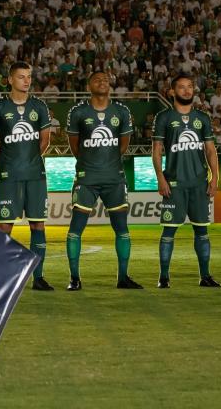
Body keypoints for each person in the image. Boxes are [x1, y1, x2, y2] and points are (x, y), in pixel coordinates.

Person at [65, 71, 141, 290]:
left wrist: (108, 162)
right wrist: (90, 162)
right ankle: (74, 278)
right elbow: (74, 145)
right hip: (86, 178)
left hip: (114, 178)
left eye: (106, 80)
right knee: (76, 228)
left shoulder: (121, 111)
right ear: (89, 85)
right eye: (98, 80)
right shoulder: (78, 111)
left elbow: (123, 144)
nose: (103, 82)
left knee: (122, 228)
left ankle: (123, 277)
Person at [0, 62, 53, 291]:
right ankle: (3, 278)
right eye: (21, 77)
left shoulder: (39, 107)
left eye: (29, 76)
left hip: (35, 175)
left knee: (38, 225)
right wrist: (5, 162)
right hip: (9, 176)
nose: (26, 80)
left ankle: (39, 278)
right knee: (5, 226)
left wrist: (30, 160)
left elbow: (45, 141)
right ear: (10, 80)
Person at [152, 73, 221, 288]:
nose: (186, 90)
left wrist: (214, 177)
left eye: (189, 86)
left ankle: (205, 276)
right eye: (181, 87)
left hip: (199, 183)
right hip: (174, 184)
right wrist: (160, 178)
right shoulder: (164, 118)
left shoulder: (202, 118)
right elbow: (156, 152)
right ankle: (164, 277)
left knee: (202, 230)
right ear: (172, 91)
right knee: (169, 230)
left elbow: (210, 150)